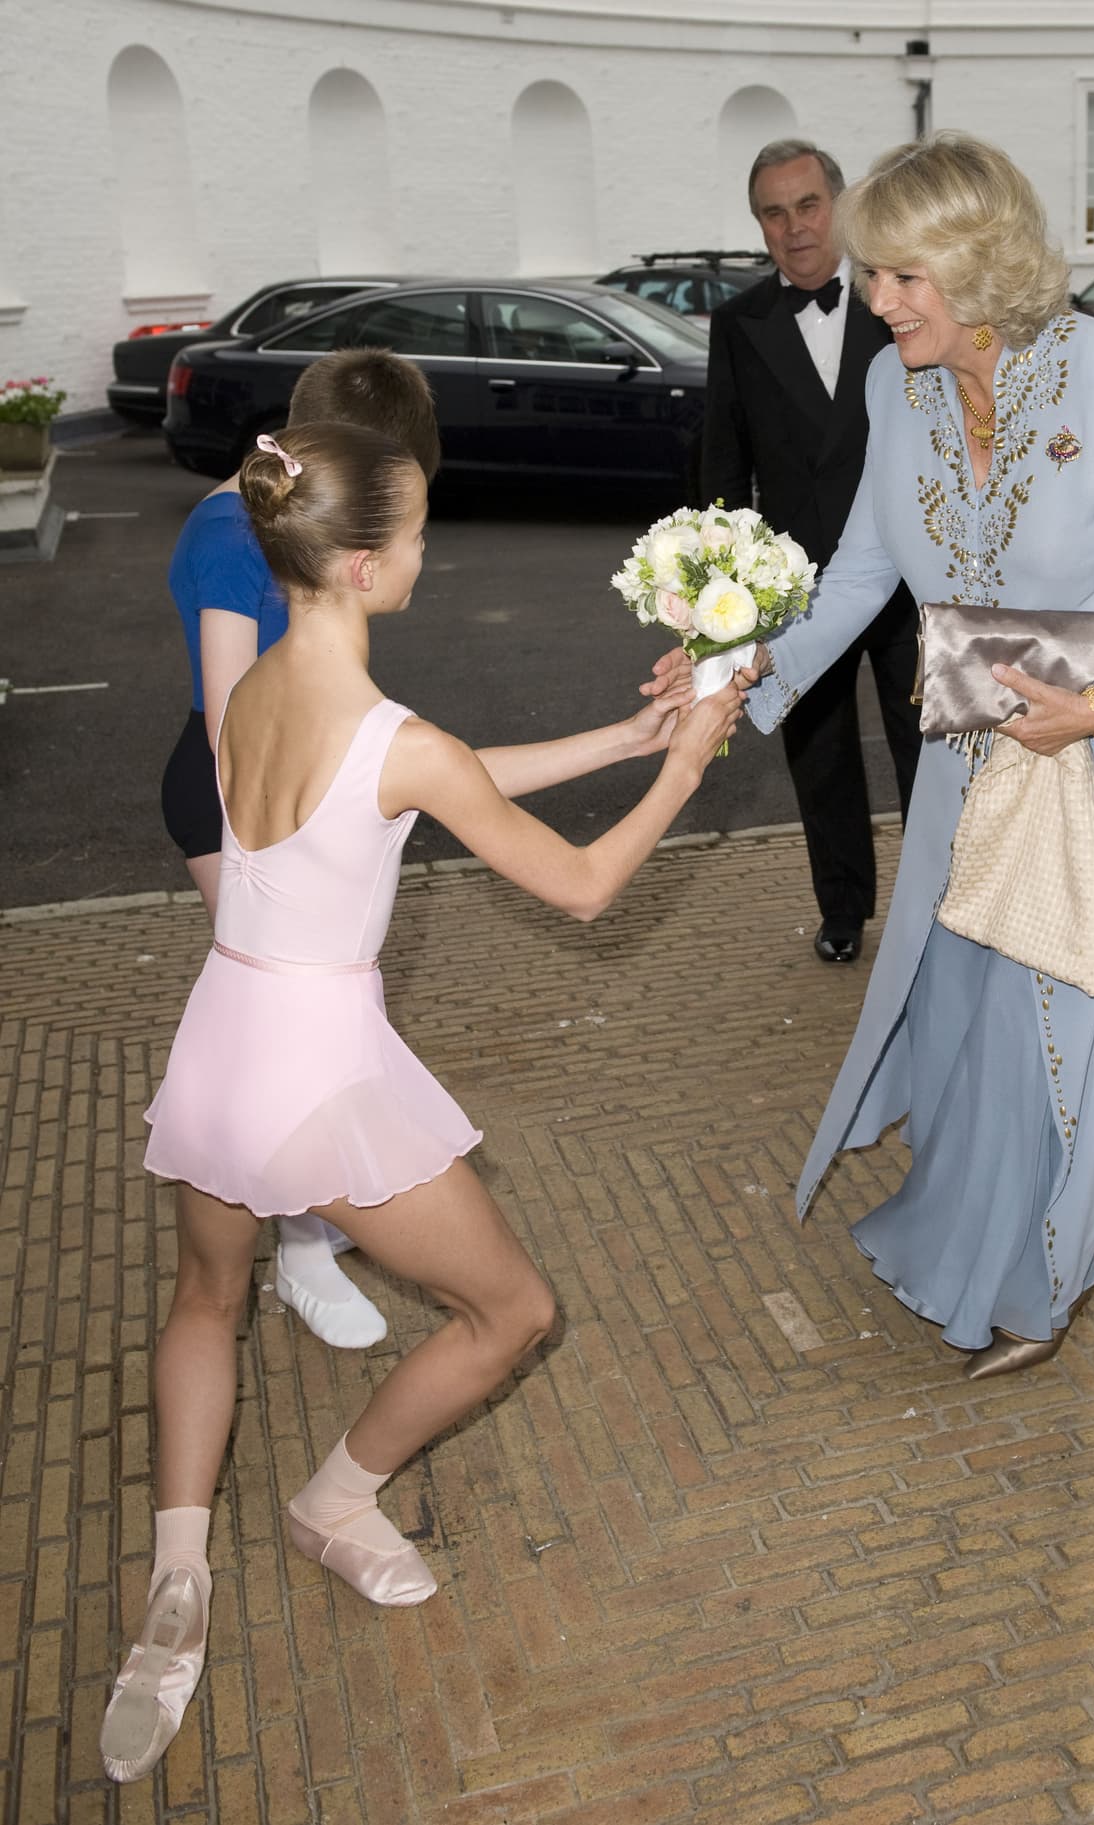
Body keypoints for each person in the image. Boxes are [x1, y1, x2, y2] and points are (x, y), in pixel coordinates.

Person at [100, 421, 744, 1784]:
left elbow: (417, 787)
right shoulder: (398, 737)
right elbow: (571, 884)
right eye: (417, 534)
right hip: (319, 1069)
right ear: (363, 561)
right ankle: (335, 1499)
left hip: (222, 1029)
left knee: (203, 1301)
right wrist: (682, 766)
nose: (427, 551)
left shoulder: (252, 688)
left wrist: (624, 732)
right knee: (514, 1313)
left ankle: (177, 1571)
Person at [661, 132, 1094, 1378]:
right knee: (963, 996)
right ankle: (957, 1231)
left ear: (977, 266)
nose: (877, 302)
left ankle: (1037, 1279)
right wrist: (741, 666)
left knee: (1057, 1019)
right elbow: (864, 571)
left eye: (903, 277)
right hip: (973, 729)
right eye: (872, 276)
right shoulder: (894, 390)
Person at [160, 350, 445, 1350]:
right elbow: (232, 719)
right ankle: (302, 1241)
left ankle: (307, 1217)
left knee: (307, 1020)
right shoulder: (232, 528)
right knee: (287, 1017)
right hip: (235, 793)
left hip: (283, 776)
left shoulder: (274, 510)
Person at [701, 136, 921, 965]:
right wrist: (720, 592)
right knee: (820, 761)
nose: (793, 227)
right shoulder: (739, 325)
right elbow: (722, 466)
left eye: (807, 205)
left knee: (924, 746)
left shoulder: (895, 298)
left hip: (904, 576)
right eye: (773, 212)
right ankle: (843, 910)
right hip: (796, 589)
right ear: (759, 224)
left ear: (838, 204)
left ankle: (940, 903)